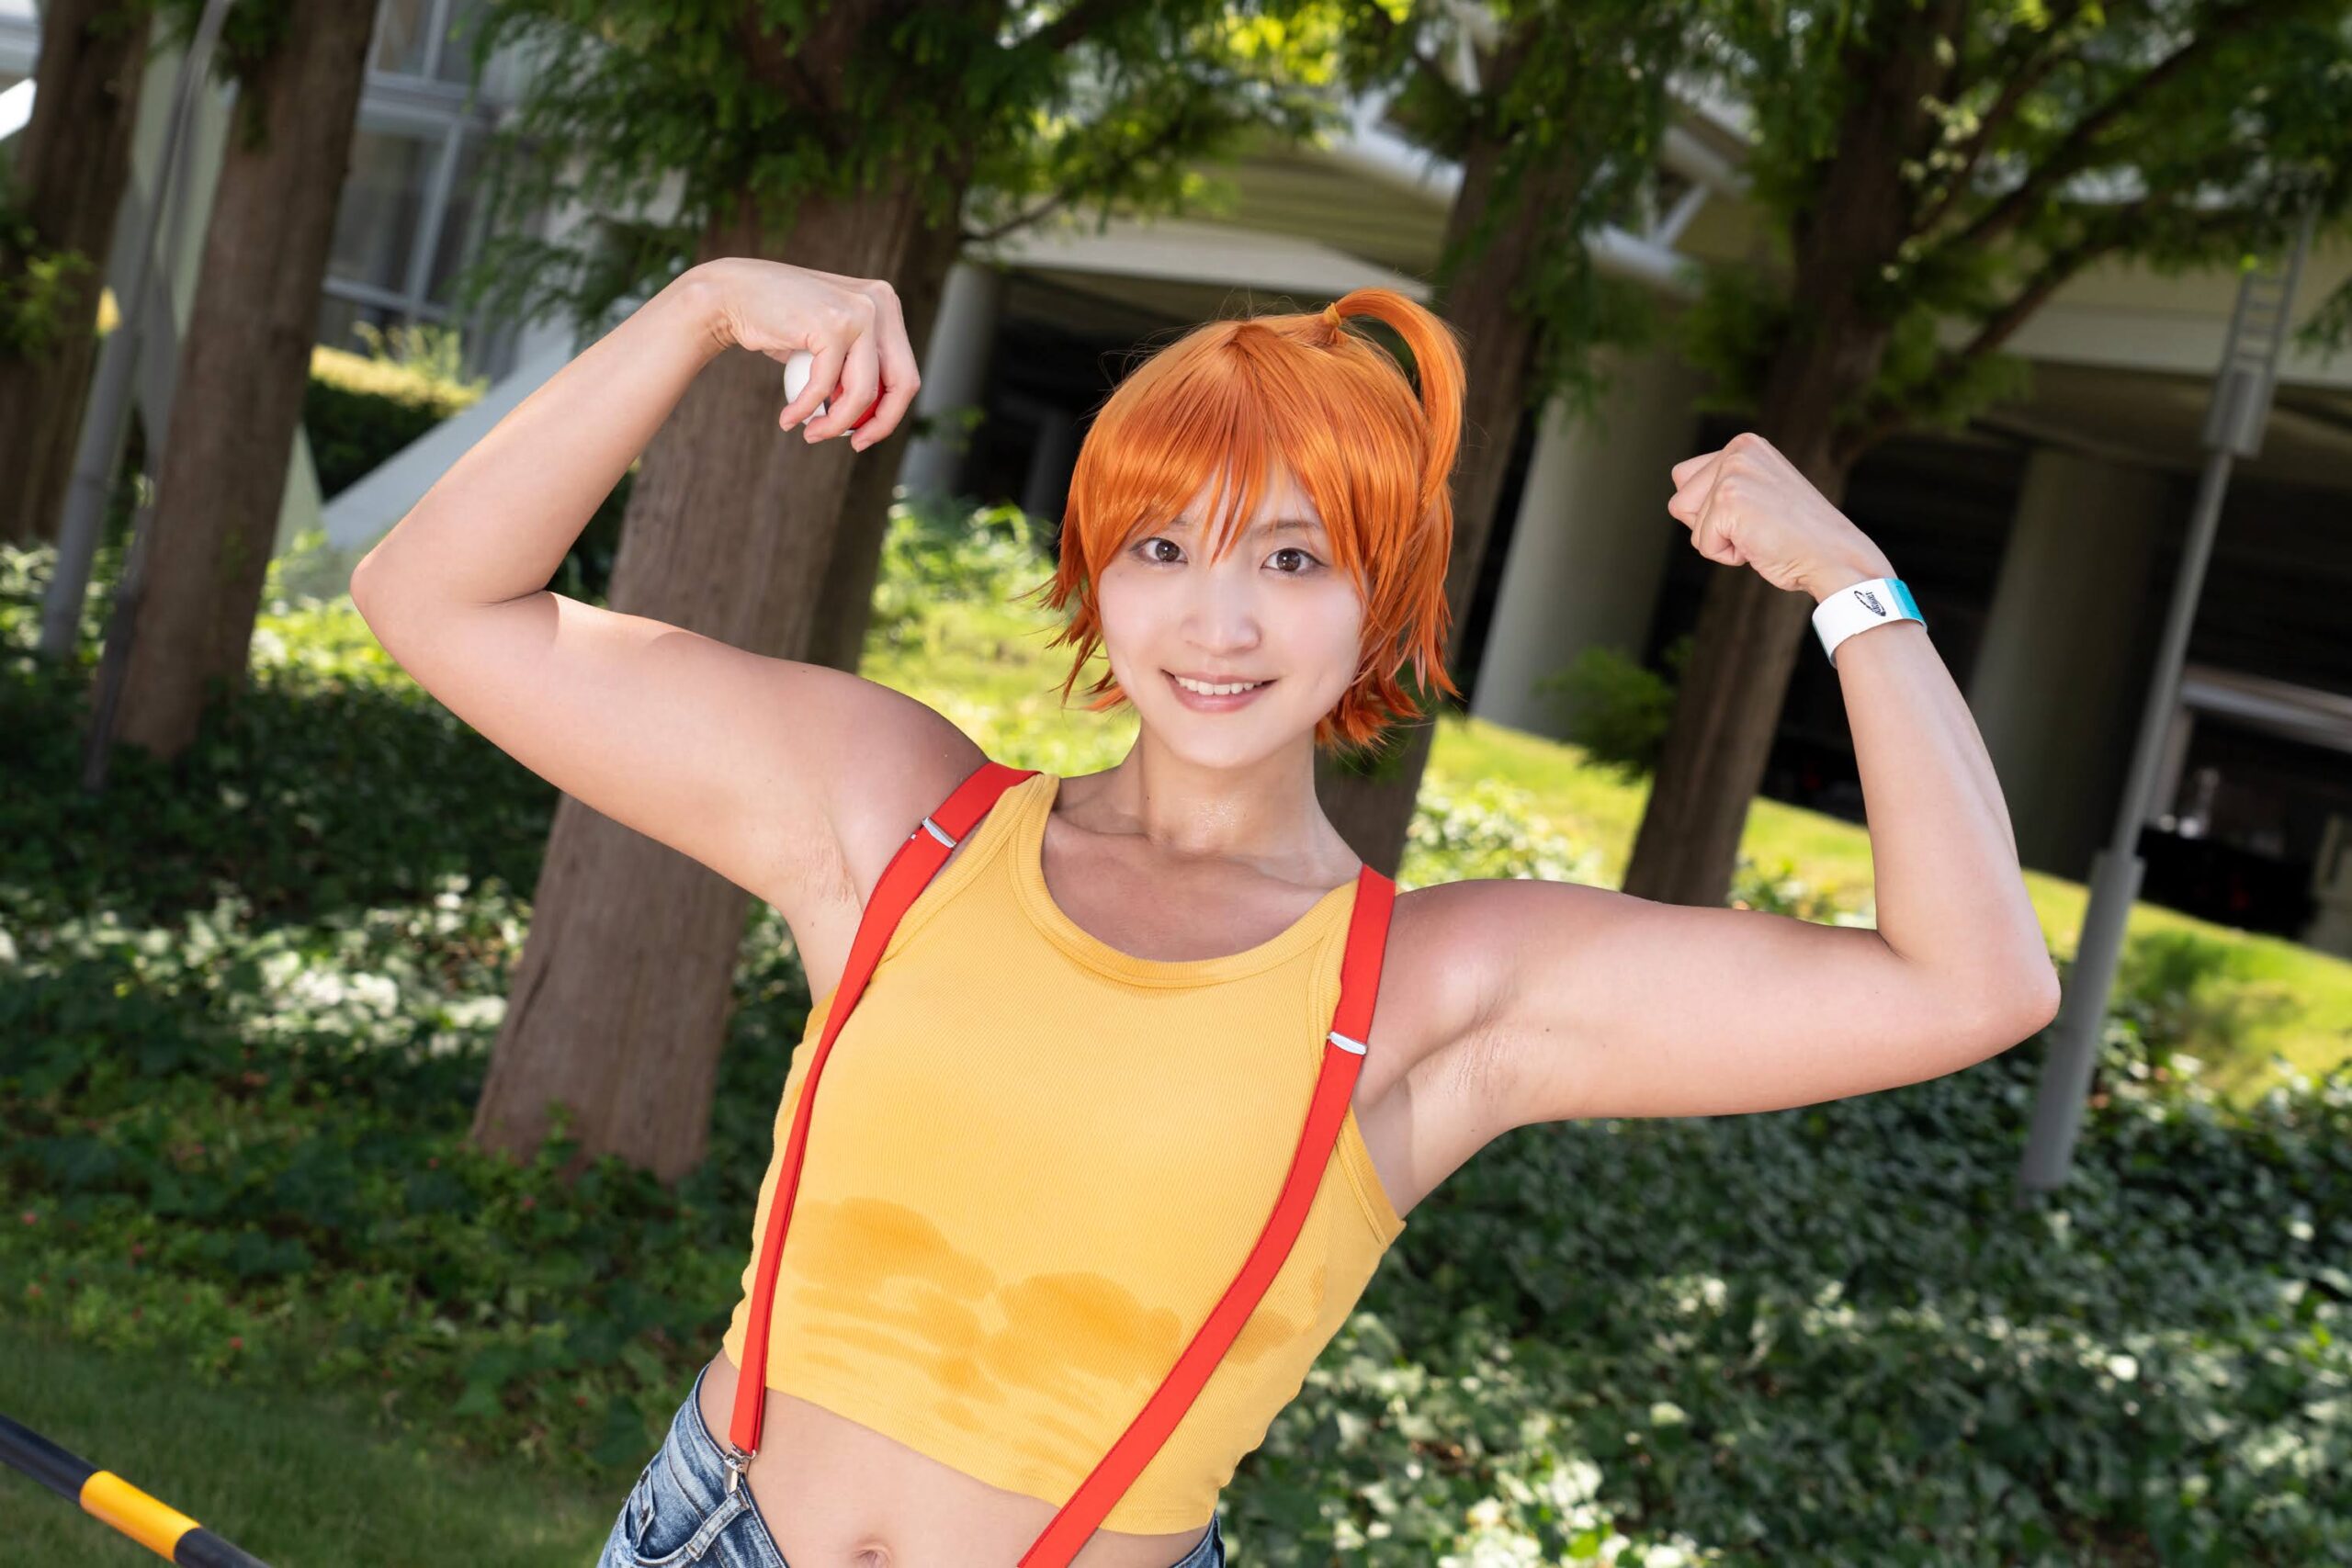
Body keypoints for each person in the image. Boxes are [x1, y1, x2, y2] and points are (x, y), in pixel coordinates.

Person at [350, 257, 2061, 1568]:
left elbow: (1974, 983)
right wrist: (709, 305)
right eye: (1163, 548)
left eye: (1292, 560)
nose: (1216, 622)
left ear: (1382, 601)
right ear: (1097, 570)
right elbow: (433, 597)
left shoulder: (1438, 987)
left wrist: (1855, 589)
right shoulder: (901, 822)